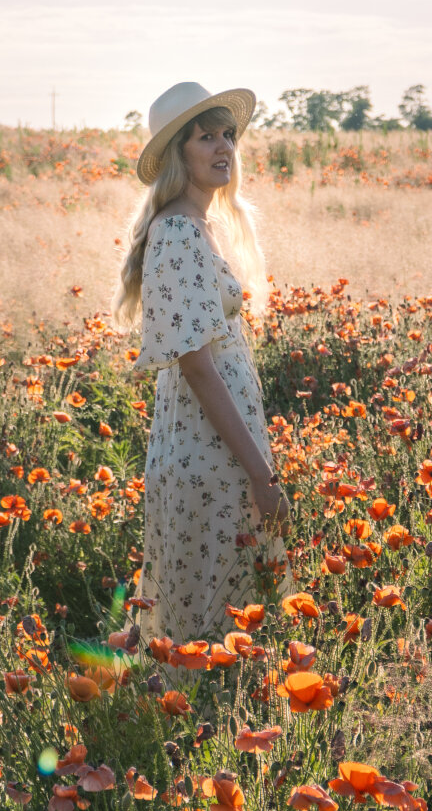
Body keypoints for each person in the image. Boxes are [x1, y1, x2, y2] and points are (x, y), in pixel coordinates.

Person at [112, 81, 295, 663]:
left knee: (227, 617)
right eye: (205, 136)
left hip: (218, 450)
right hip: (208, 456)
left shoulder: (198, 227)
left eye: (228, 135)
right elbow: (197, 367)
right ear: (178, 154)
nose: (223, 147)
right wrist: (261, 475)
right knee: (209, 627)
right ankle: (205, 735)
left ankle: (224, 730)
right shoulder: (176, 233)